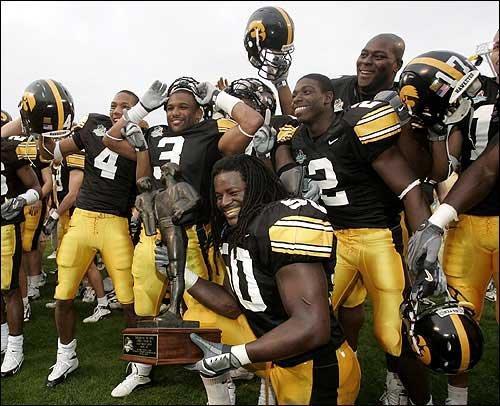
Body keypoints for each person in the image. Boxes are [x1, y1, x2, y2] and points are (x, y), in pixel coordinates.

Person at [278, 73, 438, 404]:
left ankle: (423, 400)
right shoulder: (300, 137)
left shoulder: (355, 126)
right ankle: (331, 388)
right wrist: (281, 148)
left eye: (307, 91)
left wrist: (425, 238)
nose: (298, 97)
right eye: (295, 93)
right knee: (308, 321)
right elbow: (287, 164)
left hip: (378, 237)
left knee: (395, 333)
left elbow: (409, 188)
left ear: (328, 98)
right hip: (334, 241)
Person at [103, 77, 263, 401]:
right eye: (170, 107)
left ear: (199, 111)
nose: (174, 113)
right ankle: (142, 369)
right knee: (144, 299)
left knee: (203, 306)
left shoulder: (210, 132)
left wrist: (218, 95)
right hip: (154, 232)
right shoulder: (155, 133)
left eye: (183, 107)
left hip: (192, 232)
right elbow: (110, 139)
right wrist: (140, 110)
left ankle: (222, 374)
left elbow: (252, 121)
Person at [184, 154, 360, 405]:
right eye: (219, 196)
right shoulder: (235, 232)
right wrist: (182, 273)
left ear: (255, 187)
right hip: (279, 360)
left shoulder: (282, 223)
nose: (224, 202)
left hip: (316, 368)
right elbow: (231, 305)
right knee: (199, 314)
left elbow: (313, 327)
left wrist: (234, 356)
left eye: (233, 192)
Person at [403, 39, 499, 405]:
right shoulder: (474, 89)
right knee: (457, 316)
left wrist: (436, 220)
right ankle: (457, 400)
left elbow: (490, 167)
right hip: (467, 219)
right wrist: (438, 129)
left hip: (460, 213)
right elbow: (447, 165)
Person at [36, 85, 144, 387]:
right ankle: (66, 356)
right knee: (63, 295)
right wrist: (42, 127)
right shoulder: (95, 126)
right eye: (114, 104)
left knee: (127, 299)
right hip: (82, 220)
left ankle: (136, 359)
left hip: (115, 223)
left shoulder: (140, 139)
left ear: (137, 110)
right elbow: (52, 153)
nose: (116, 110)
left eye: (125, 106)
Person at [1, 133, 42, 378]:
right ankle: (4, 336)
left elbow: (36, 187)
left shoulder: (8, 149)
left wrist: (20, 200)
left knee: (9, 288)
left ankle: (16, 347)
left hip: (4, 225)